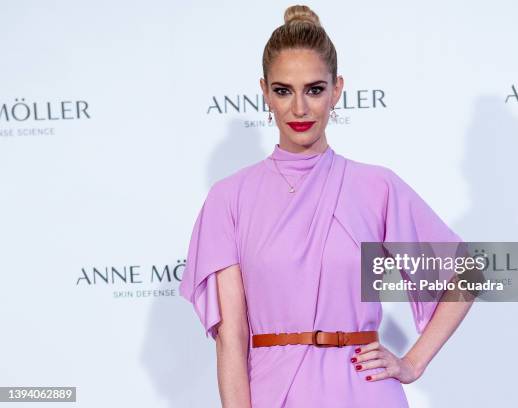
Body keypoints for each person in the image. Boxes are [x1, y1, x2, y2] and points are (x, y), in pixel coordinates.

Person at [179, 5, 473, 407]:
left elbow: (466, 272)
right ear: (264, 91)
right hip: (271, 391)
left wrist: (413, 363)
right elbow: (231, 339)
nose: (299, 108)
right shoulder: (229, 197)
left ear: (337, 90)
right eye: (284, 90)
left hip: (364, 391)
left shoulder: (376, 186)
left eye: (314, 89)